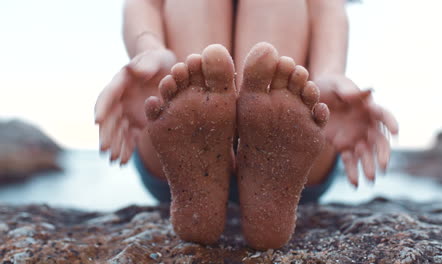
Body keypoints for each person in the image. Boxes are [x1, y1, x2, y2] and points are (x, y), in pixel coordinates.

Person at [94, 0, 398, 250]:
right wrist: (152, 57)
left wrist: (328, 80)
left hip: (169, 167)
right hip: (295, 169)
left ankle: (226, 116)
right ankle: (218, 115)